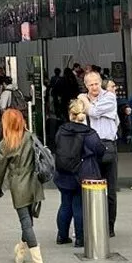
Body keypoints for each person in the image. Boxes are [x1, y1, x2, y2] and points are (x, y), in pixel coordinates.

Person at [0, 108, 48, 263]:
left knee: (25, 223)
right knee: (28, 220)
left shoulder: (4, 145)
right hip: (35, 184)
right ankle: (21, 249)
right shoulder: (30, 136)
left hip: (19, 187)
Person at [53, 98, 105, 248]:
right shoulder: (89, 133)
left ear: (70, 113)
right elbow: (100, 150)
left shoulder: (61, 130)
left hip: (63, 173)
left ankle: (62, 235)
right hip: (83, 174)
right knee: (79, 206)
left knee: (65, 204)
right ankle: (80, 238)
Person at [79, 70, 119, 236]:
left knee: (110, 188)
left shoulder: (109, 97)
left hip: (107, 145)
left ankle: (109, 226)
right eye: (90, 84)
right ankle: (91, 223)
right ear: (86, 85)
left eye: (96, 83)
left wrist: (84, 101)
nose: (94, 87)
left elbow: (93, 112)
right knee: (90, 186)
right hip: (89, 146)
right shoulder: (84, 98)